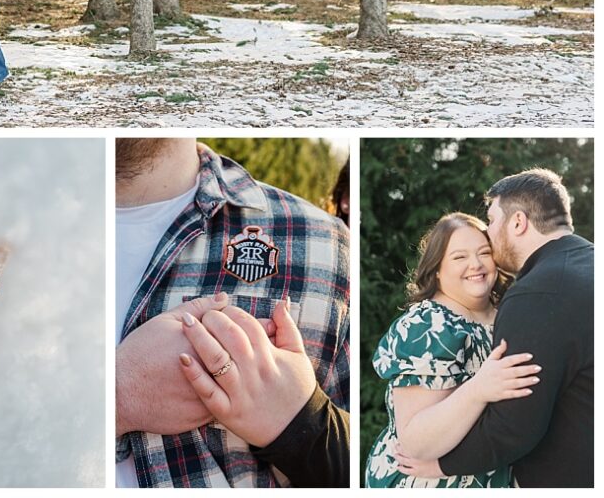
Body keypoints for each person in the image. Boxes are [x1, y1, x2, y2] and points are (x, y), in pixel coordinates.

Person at [115, 138, 349, 487]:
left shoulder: (324, 244)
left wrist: (304, 424)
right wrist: (118, 395)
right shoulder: (15, 231)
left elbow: (375, 459)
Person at [394, 169, 593, 488]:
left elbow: (516, 425)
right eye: (458, 256)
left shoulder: (537, 295)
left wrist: (443, 466)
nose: (489, 230)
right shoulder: (588, 265)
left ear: (518, 222)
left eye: (492, 219)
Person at [365, 212, 541, 487]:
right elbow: (416, 443)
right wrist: (479, 389)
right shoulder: (427, 325)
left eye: (484, 252)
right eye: (459, 257)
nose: (476, 264)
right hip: (429, 481)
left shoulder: (509, 313)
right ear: (436, 268)